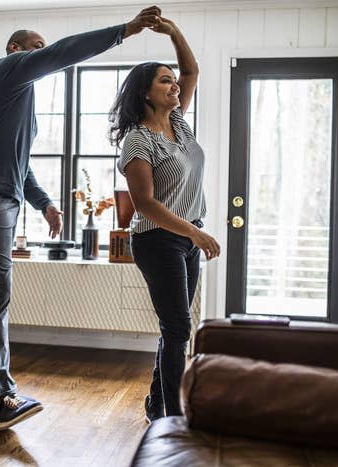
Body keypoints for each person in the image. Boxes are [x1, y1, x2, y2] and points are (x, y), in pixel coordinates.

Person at [0, 6, 163, 432]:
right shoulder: (8, 71)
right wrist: (125, 30)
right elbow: (64, 51)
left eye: (42, 49)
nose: (43, 54)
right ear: (15, 50)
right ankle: (3, 396)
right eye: (36, 48)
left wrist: (44, 203)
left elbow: (18, 164)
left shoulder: (18, 100)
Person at [109, 17, 220, 421]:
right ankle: (173, 417)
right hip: (158, 241)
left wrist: (173, 33)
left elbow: (192, 71)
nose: (175, 86)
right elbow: (145, 204)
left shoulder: (177, 122)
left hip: (187, 238)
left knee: (174, 329)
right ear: (146, 94)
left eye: (174, 82)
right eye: (164, 82)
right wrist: (194, 232)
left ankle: (158, 407)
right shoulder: (138, 139)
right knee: (177, 329)